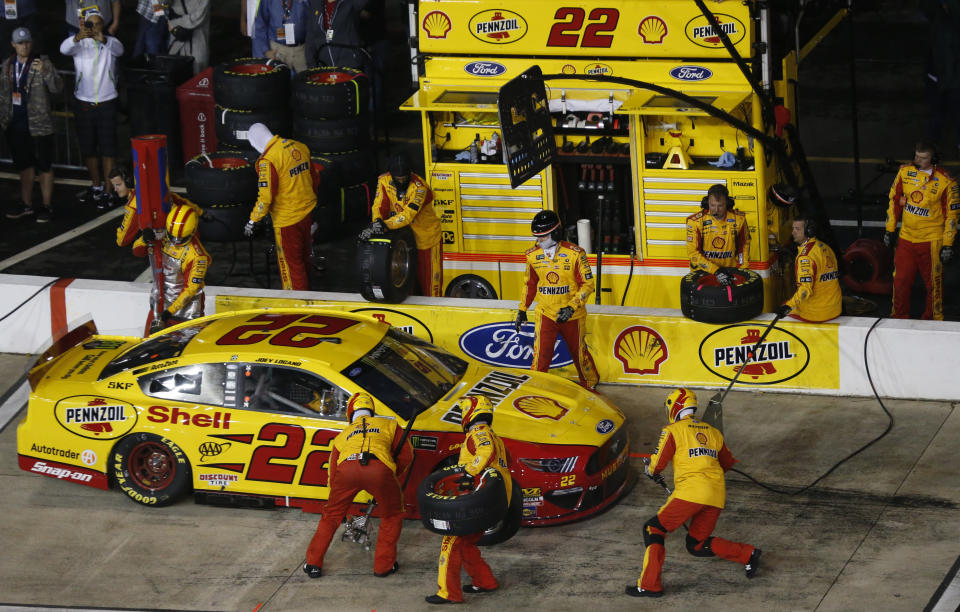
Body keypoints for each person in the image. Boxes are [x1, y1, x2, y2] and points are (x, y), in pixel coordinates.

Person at [627, 388, 761, 598]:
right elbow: (726, 463)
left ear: (674, 407)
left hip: (691, 492)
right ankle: (748, 554)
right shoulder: (713, 432)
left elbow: (657, 465)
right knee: (697, 545)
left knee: (653, 528)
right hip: (716, 495)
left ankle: (649, 585)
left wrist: (650, 469)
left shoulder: (673, 430)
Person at [303, 392, 414, 578]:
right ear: (372, 410)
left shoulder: (343, 435)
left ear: (350, 412)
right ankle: (383, 567)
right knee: (392, 516)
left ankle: (313, 564)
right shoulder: (390, 425)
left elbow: (332, 472)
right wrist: (390, 476)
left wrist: (336, 498)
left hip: (346, 470)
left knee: (330, 517)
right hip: (380, 469)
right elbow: (407, 456)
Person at [426, 395, 511, 605]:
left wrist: (469, 472)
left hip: (479, 502)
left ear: (470, 413)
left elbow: (486, 451)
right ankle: (485, 581)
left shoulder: (479, 433)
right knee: (466, 544)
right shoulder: (495, 435)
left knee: (451, 541)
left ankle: (448, 593)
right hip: (493, 502)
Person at [514, 210, 599, 390]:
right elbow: (529, 284)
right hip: (545, 313)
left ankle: (590, 385)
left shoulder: (576, 254)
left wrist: (571, 307)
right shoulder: (531, 255)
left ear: (555, 232)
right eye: (537, 237)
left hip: (573, 316)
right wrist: (522, 309)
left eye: (543, 237)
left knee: (579, 354)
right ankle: (535, 388)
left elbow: (588, 284)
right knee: (540, 357)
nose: (539, 241)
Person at [884, 141, 960, 320]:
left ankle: (934, 318)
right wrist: (889, 230)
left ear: (933, 158)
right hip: (906, 238)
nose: (918, 160)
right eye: (916, 156)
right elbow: (894, 201)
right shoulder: (904, 172)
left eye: (923, 158)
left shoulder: (946, 181)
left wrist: (948, 244)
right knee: (900, 281)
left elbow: (952, 215)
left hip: (932, 240)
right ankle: (898, 317)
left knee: (934, 283)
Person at [60, 8, 123, 208]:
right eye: (91, 24)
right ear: (84, 25)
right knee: (88, 148)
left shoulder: (110, 43)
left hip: (106, 103)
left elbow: (120, 50)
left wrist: (103, 38)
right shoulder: (80, 44)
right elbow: (63, 49)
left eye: (97, 24)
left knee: (108, 150)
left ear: (102, 25)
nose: (94, 28)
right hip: (84, 102)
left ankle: (108, 190)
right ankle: (95, 186)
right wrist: (78, 37)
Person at [245, 122, 317, 291]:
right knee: (305, 257)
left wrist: (252, 220)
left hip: (286, 222)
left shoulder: (268, 160)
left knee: (291, 267)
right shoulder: (299, 146)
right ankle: (310, 297)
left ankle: (296, 307)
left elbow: (266, 197)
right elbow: (315, 178)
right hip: (307, 213)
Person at [1, 27, 62, 223]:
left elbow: (58, 88)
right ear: (13, 45)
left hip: (40, 124)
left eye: (27, 42)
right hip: (16, 124)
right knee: (24, 166)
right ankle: (26, 205)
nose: (24, 46)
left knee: (44, 165)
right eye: (20, 43)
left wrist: (45, 72)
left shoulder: (41, 62)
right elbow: (3, 95)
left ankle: (46, 206)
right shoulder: (7, 65)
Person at [362, 154, 442, 296]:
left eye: (404, 178)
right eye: (397, 179)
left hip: (426, 240)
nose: (401, 181)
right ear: (391, 174)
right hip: (404, 240)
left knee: (430, 289)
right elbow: (379, 205)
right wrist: (377, 222)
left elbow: (407, 216)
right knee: (405, 286)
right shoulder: (384, 180)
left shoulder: (420, 188)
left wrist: (384, 225)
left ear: (410, 174)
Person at [139, 200, 211, 334]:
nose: (175, 241)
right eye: (172, 236)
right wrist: (144, 239)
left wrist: (169, 312)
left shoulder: (198, 256)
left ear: (193, 231)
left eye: (181, 238)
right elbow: (137, 251)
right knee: (147, 344)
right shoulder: (163, 234)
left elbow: (191, 290)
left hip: (186, 313)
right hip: (159, 304)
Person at [776, 218, 842, 322]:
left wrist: (788, 306)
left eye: (797, 229)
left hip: (817, 313)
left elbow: (804, 291)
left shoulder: (805, 257)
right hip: (835, 308)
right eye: (793, 228)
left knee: (783, 305)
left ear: (808, 231)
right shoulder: (826, 247)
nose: (793, 232)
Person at [685, 183, 750, 284]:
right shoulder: (695, 222)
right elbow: (693, 254)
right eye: (712, 205)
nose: (716, 210)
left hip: (730, 271)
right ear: (707, 203)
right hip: (703, 272)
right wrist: (716, 270)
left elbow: (744, 245)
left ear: (727, 204)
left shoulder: (739, 219)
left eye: (720, 206)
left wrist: (743, 268)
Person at [305, 0, 369, 70]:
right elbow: (310, 38)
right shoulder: (316, 4)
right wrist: (312, 66)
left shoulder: (350, 2)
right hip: (324, 67)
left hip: (349, 67)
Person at [253, 0, 310, 73]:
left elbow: (314, 20)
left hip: (302, 51)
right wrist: (266, 51)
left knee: (304, 81)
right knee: (277, 82)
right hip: (276, 50)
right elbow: (260, 25)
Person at [166, 0, 210, 74]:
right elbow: (157, 6)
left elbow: (199, 16)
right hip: (176, 42)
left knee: (197, 74)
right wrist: (165, 18)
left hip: (197, 42)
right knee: (175, 75)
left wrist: (173, 23)